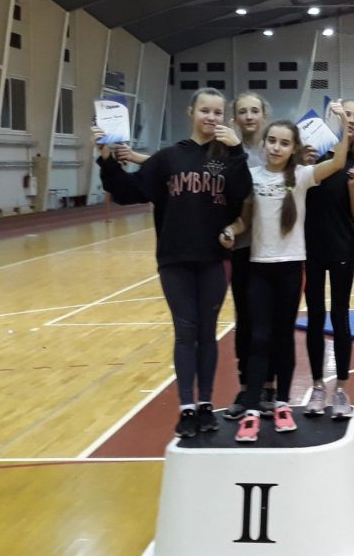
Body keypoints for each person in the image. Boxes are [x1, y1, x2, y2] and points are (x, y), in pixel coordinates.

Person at [94, 88, 252, 438]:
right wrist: (105, 157)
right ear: (191, 112)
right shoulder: (167, 158)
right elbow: (127, 192)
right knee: (185, 332)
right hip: (174, 258)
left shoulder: (227, 157)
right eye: (205, 110)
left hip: (214, 259)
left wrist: (237, 150)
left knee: (207, 332)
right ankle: (186, 408)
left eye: (217, 112)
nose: (211, 117)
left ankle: (206, 404)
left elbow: (242, 193)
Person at [233, 105, 354, 442]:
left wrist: (343, 125)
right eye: (272, 141)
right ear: (264, 144)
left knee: (283, 337)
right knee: (259, 338)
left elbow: (338, 163)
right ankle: (253, 409)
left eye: (284, 143)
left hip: (290, 268)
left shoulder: (302, 176)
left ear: (294, 148)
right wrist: (230, 230)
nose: (276, 147)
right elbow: (243, 220)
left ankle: (283, 404)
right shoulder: (252, 176)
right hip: (258, 268)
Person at [303, 100, 354, 419]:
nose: (352, 121)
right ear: (334, 115)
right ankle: (318, 386)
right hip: (310, 249)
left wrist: (353, 187)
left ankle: (342, 389)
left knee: (340, 316)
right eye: (348, 115)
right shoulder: (312, 158)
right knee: (315, 316)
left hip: (343, 248)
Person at [222, 92, 273, 420]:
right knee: (245, 321)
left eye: (255, 110)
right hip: (243, 248)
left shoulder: (278, 148)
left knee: (271, 323)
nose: (250, 116)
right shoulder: (227, 152)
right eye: (243, 112)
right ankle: (245, 388)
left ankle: (269, 387)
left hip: (275, 250)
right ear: (235, 118)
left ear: (264, 114)